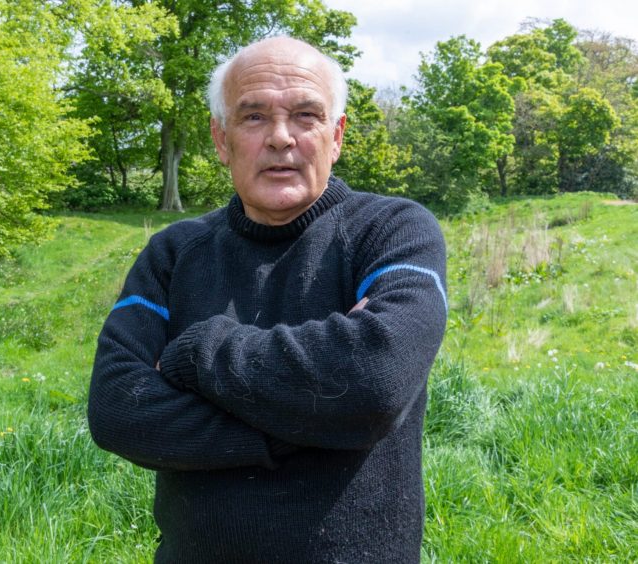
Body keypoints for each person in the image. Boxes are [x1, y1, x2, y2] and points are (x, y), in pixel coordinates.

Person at [87, 36, 447, 562]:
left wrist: (195, 352)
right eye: (253, 117)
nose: (281, 138)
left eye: (305, 115)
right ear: (221, 139)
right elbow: (118, 411)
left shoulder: (393, 232)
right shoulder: (173, 253)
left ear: (337, 135)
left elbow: (374, 382)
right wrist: (318, 422)